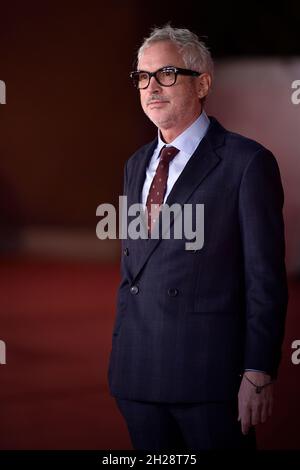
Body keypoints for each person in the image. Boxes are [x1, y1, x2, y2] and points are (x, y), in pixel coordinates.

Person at [107, 25, 288, 450]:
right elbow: (136, 266)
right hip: (136, 377)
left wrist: (258, 370)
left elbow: (265, 278)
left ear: (203, 82)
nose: (152, 86)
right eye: (143, 76)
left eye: (166, 73)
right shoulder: (136, 165)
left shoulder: (246, 164)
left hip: (208, 381)